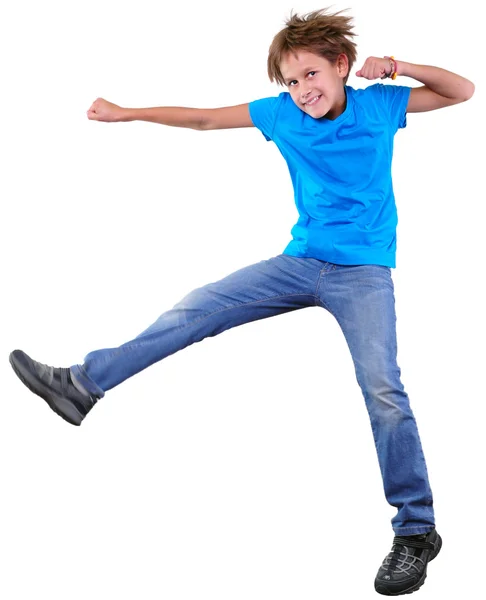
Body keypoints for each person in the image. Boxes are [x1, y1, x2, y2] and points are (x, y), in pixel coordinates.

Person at [9, 6, 474, 596]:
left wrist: (399, 66)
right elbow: (203, 119)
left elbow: (461, 91)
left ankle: (417, 530)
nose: (303, 90)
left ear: (341, 65)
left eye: (311, 74)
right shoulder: (282, 116)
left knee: (382, 385)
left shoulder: (382, 105)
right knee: (195, 309)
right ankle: (81, 385)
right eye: (291, 81)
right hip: (301, 261)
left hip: (363, 273)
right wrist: (128, 113)